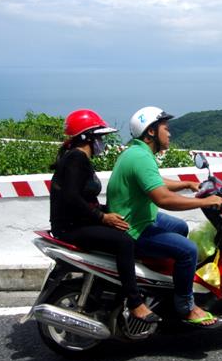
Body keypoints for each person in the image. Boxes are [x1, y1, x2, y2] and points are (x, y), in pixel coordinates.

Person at [107, 106, 222, 328]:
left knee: (180, 228)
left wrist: (188, 183)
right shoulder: (141, 157)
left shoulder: (137, 152)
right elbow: (163, 198)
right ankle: (186, 306)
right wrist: (205, 201)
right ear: (151, 132)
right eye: (165, 128)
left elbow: (155, 181)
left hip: (139, 219)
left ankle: (163, 283)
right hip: (133, 228)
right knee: (188, 250)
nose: (169, 133)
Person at [49, 108, 160, 323]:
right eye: (100, 137)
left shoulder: (77, 158)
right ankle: (135, 302)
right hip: (71, 227)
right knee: (124, 242)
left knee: (123, 232)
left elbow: (82, 198)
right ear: (87, 137)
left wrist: (106, 211)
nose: (103, 142)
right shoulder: (76, 159)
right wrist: (102, 217)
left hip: (78, 222)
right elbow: (71, 198)